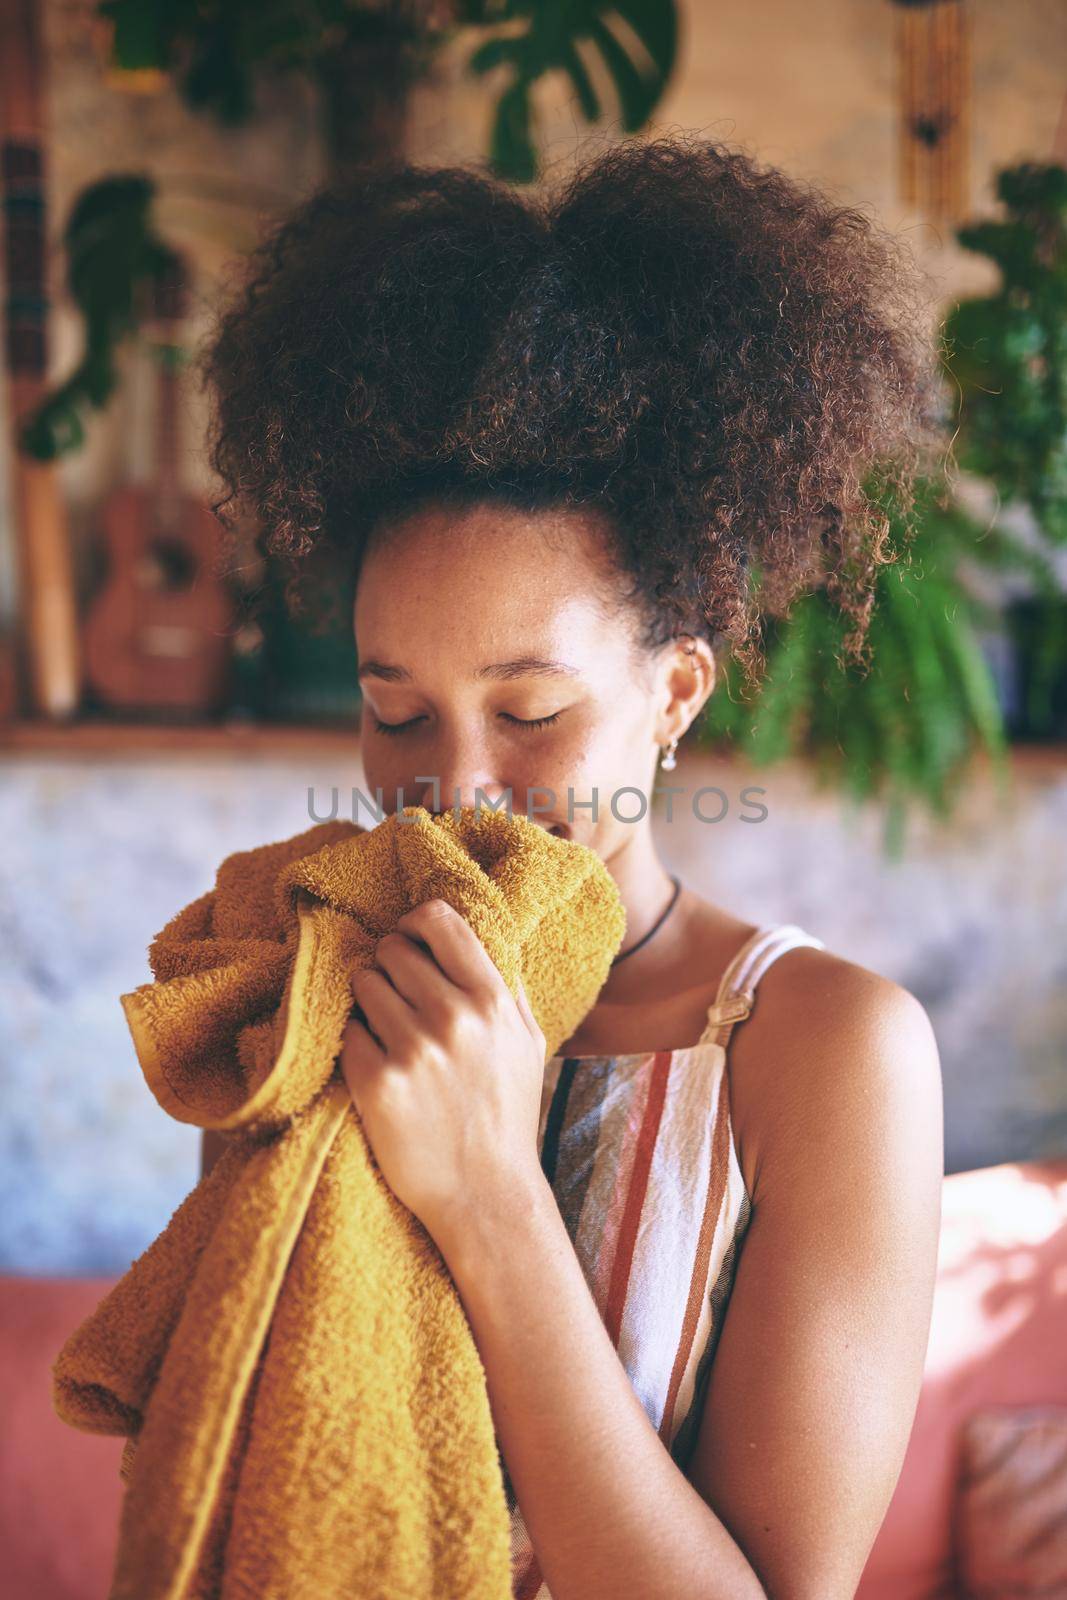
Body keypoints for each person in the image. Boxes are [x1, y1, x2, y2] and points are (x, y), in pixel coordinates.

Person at [197, 136, 945, 1600]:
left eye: (532, 712)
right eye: (393, 707)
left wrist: (486, 1192)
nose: (453, 784)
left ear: (674, 697)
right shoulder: (332, 984)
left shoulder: (823, 1053)